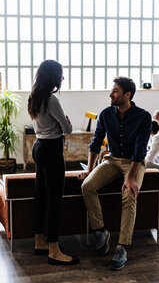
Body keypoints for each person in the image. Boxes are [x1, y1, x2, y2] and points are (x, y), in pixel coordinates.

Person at [78, 76, 151, 271]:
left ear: (127, 95)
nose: (111, 94)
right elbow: (95, 143)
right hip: (111, 159)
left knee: (129, 193)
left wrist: (129, 177)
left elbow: (140, 150)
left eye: (116, 91)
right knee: (87, 186)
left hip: (134, 163)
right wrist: (90, 169)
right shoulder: (105, 114)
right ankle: (101, 231)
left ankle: (122, 246)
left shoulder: (143, 117)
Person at [28, 59, 79, 266]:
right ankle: (54, 250)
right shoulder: (51, 100)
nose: (63, 78)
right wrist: (66, 121)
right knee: (54, 200)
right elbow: (67, 129)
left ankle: (39, 241)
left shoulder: (34, 97)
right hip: (51, 150)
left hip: (39, 147)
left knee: (41, 196)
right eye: (61, 74)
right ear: (53, 76)